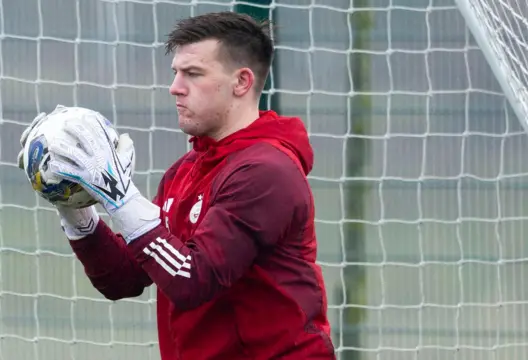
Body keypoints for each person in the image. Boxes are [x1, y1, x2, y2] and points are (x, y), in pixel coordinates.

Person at [17, 11, 334, 360]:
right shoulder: (185, 171)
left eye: (193, 74)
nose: (175, 87)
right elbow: (124, 278)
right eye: (176, 73)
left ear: (242, 82)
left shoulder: (266, 172)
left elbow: (192, 280)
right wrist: (74, 205)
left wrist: (121, 199)